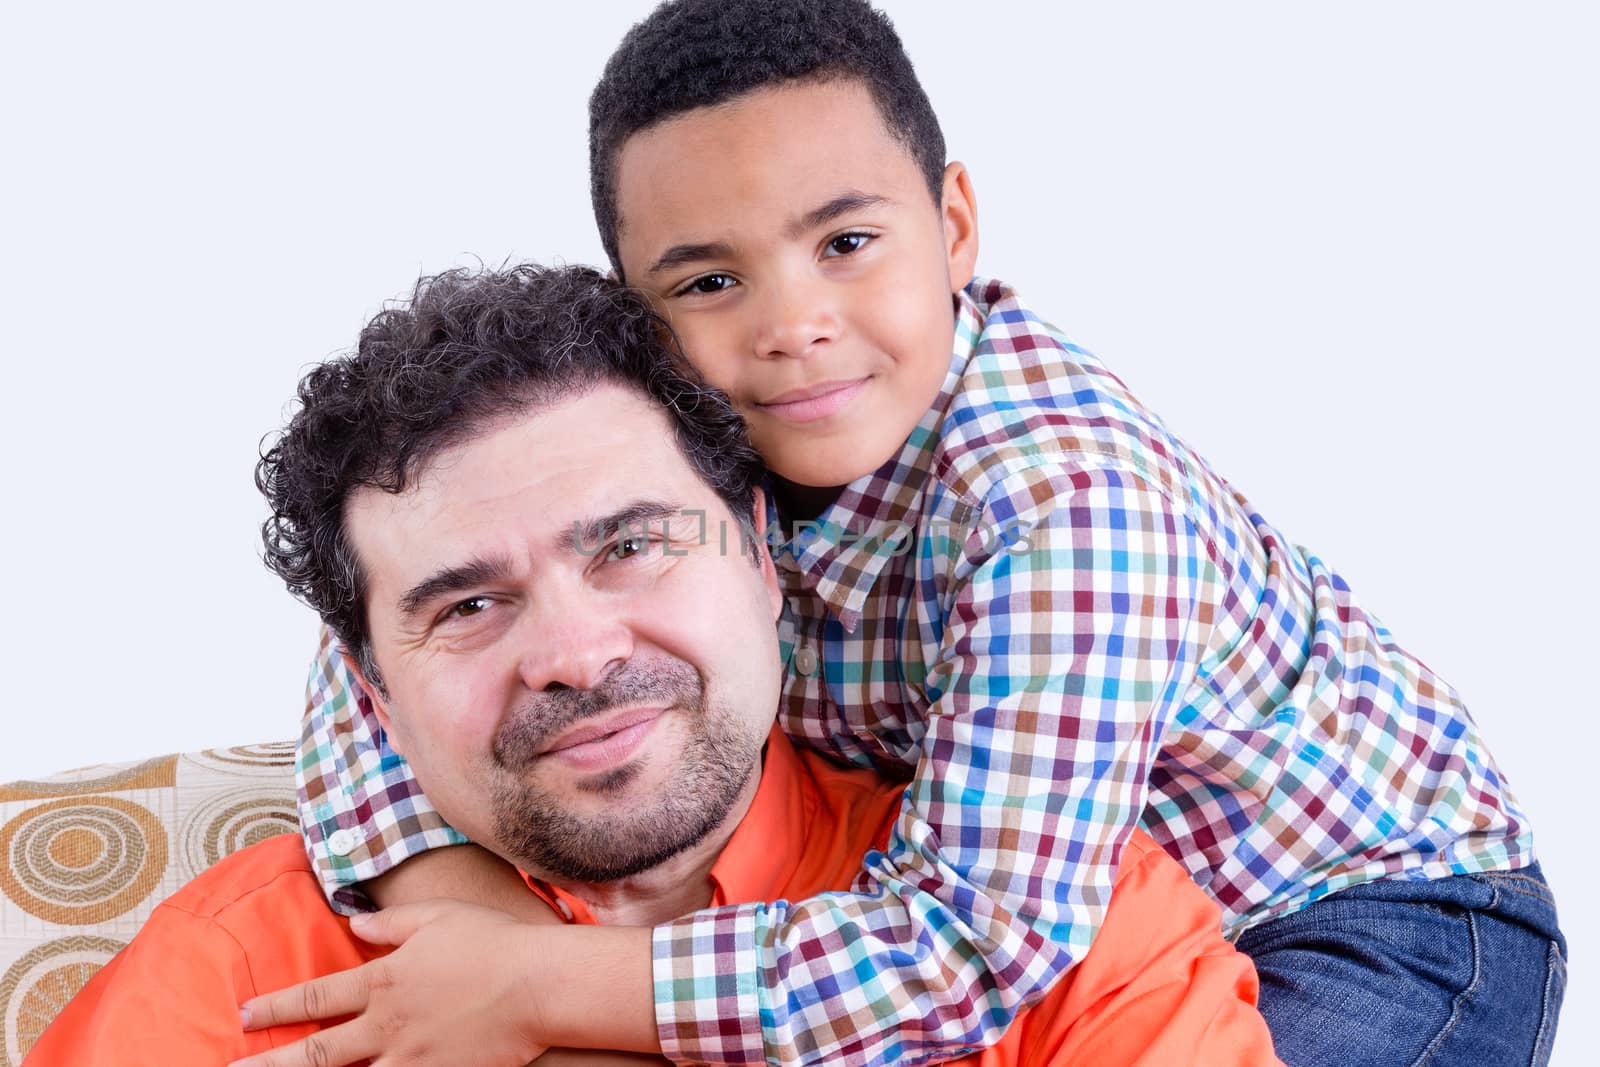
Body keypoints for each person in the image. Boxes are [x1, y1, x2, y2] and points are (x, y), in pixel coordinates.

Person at [283, 2, 1566, 1065]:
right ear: (636, 304)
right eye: (710, 280)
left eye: (846, 242)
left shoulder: (1065, 501)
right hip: (1030, 921)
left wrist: (542, 981)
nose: (795, 325)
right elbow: (396, 627)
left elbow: (972, 942)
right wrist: (459, 920)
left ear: (952, 225)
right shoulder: (684, 428)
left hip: (1355, 914)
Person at [25, 265, 1281, 1067]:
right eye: (467, 604)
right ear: (370, 697)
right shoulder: (246, 969)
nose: (573, 655)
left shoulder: (1068, 918)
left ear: (761, 557)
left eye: (629, 544)